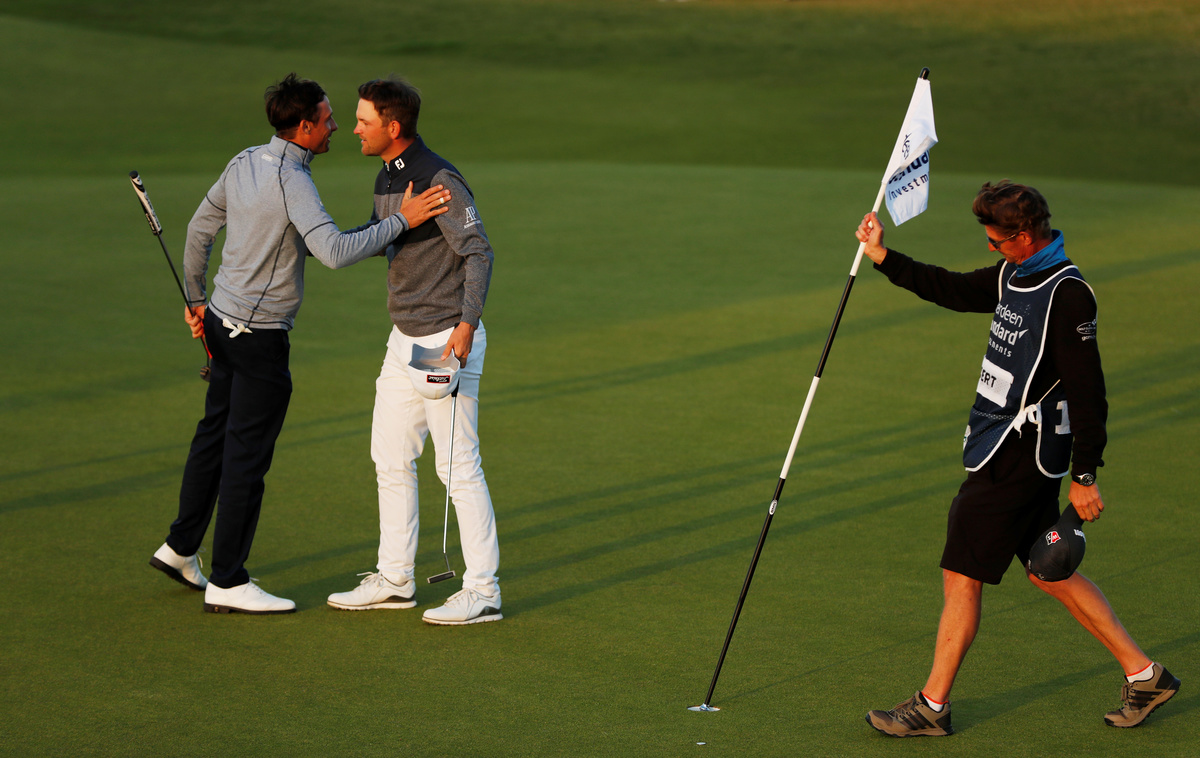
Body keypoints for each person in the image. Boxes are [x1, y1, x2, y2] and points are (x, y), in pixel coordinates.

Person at [856, 181, 1179, 735]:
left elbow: (1089, 392)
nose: (991, 248)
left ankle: (932, 706)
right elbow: (954, 289)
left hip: (1020, 454)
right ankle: (1145, 675)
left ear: (1025, 235)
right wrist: (884, 256)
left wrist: (1085, 475)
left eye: (997, 240)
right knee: (1048, 570)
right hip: (1000, 444)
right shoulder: (1015, 272)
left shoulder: (1068, 294)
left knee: (962, 573)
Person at [149, 73, 450, 615]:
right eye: (328, 118)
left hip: (220, 323)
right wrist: (401, 221)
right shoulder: (294, 180)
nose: (337, 127)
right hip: (258, 339)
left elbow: (199, 231)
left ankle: (179, 547)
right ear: (305, 126)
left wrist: (196, 300)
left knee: (212, 438)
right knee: (245, 459)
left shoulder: (245, 161)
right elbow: (333, 251)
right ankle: (228, 581)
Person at [326, 76, 502, 625]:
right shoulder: (386, 176)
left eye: (364, 121)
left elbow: (478, 252)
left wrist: (466, 326)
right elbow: (385, 233)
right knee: (390, 457)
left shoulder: (438, 179)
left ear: (393, 126)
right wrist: (320, 243)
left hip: (443, 341)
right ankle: (395, 578)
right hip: (401, 338)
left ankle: (483, 590)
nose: (355, 129)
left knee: (457, 466)